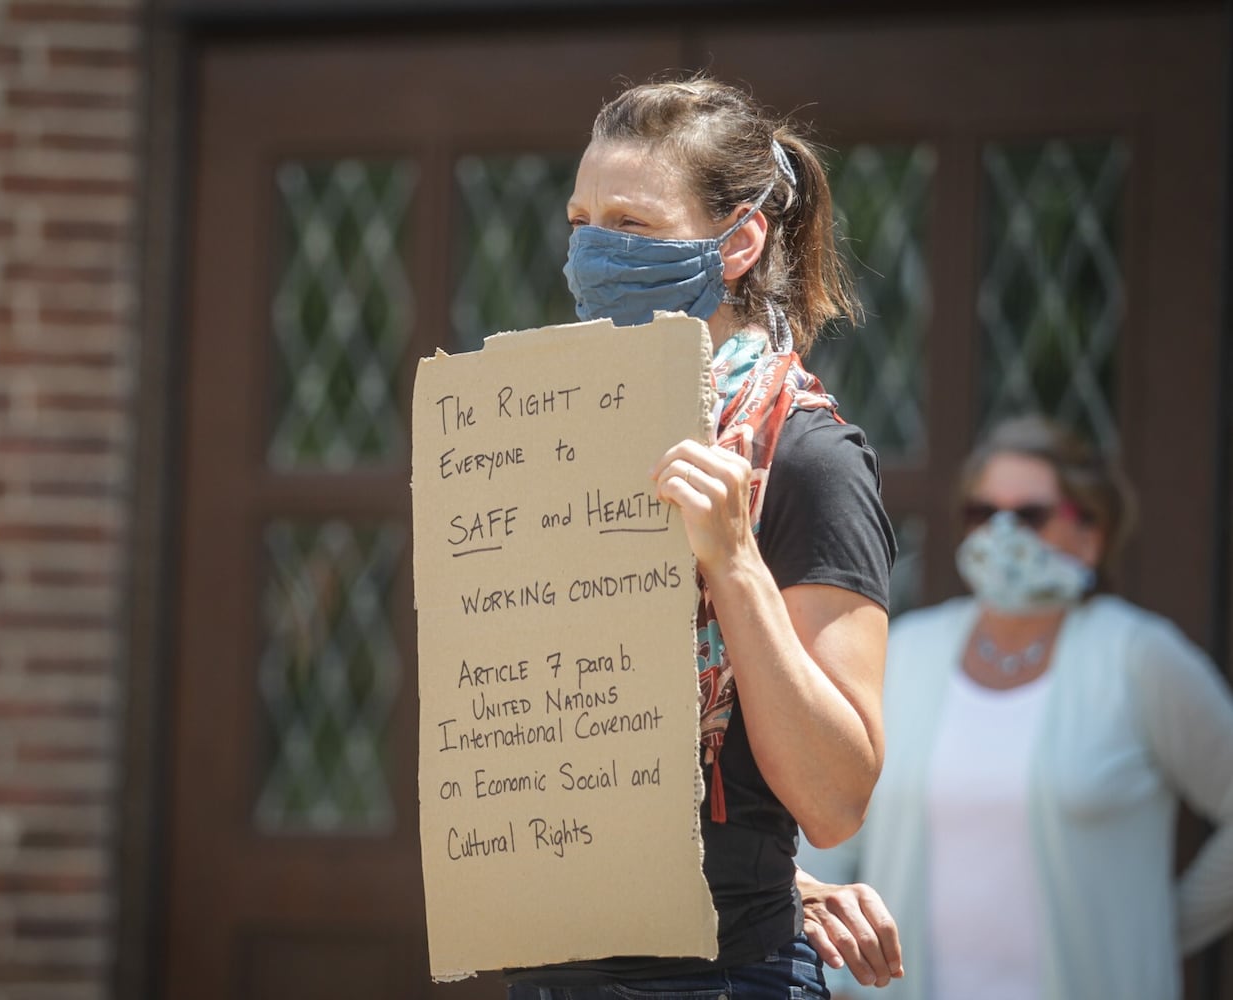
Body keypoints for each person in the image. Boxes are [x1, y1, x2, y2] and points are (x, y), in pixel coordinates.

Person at [504, 74, 903, 999]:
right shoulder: (557, 440)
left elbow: (837, 797)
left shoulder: (808, 458)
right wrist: (792, 881)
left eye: (634, 226)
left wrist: (733, 562)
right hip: (551, 969)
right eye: (580, 220)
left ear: (739, 241)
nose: (596, 250)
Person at [799, 414, 1233, 1000]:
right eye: (982, 514)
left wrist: (1158, 930)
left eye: (1029, 515)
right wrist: (835, 970)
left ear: (1091, 531)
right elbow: (832, 828)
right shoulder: (906, 651)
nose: (1002, 534)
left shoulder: (1140, 659)